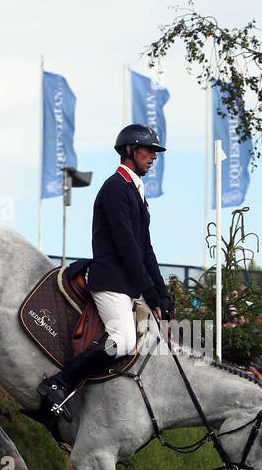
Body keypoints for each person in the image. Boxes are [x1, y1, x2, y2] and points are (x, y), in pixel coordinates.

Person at [36, 124, 173, 420]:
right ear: (129, 150)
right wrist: (148, 291)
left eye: (155, 152)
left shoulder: (136, 191)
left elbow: (146, 249)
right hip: (109, 281)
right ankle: (58, 383)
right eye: (148, 150)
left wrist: (162, 294)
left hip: (125, 284)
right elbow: (127, 248)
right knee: (122, 341)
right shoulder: (114, 189)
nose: (154, 156)